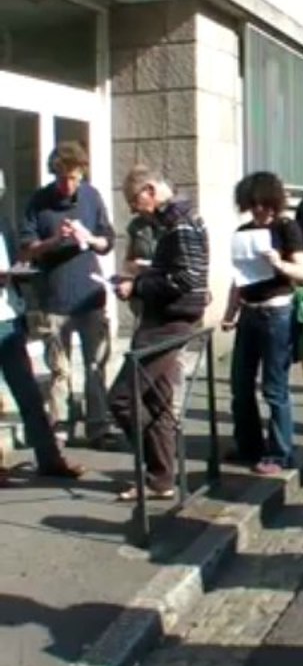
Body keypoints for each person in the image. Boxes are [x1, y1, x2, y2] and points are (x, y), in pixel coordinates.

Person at [108, 168, 210, 500]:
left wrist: (136, 283)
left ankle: (157, 471)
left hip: (168, 321)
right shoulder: (183, 219)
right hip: (169, 318)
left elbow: (185, 280)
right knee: (158, 400)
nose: (135, 211)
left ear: (150, 190)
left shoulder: (178, 224)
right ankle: (161, 479)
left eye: (135, 202)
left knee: (122, 398)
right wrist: (148, 271)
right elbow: (185, 274)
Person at [20, 141, 116, 447]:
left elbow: (108, 240)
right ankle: (60, 426)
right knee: (60, 370)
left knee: (95, 366)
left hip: (90, 296)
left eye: (75, 178)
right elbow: (27, 249)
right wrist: (53, 241)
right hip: (54, 299)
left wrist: (90, 238)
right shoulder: (38, 201)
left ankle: (98, 428)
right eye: (63, 179)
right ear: (54, 175)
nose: (69, 185)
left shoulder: (91, 195)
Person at [222, 172, 303, 475]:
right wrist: (230, 312)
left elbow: (302, 271)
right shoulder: (243, 231)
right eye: (254, 204)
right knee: (240, 384)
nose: (260, 210)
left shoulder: (287, 228)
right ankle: (248, 445)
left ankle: (281, 453)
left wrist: (278, 262)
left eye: (264, 204)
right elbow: (239, 278)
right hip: (250, 311)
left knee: (274, 387)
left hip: (277, 312)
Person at [0, 217, 84, 484]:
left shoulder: (4, 225)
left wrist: (18, 268)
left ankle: (49, 459)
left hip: (9, 317)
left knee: (29, 393)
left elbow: (19, 257)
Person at [121, 165, 162, 324]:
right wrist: (126, 281)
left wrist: (150, 266)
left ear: (149, 191)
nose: (132, 209)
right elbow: (129, 262)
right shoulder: (136, 227)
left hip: (169, 304)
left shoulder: (173, 222)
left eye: (133, 200)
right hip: (143, 305)